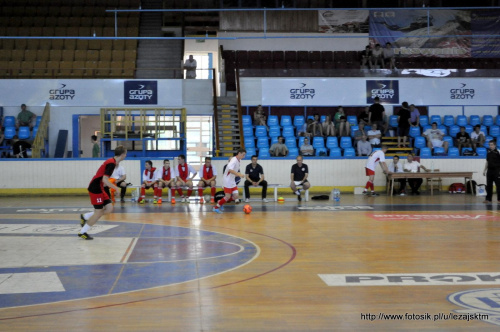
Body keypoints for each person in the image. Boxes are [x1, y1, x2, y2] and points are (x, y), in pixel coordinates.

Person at [78, 145, 127, 240]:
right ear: (122, 154)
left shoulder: (112, 162)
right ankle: (82, 232)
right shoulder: (111, 163)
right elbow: (105, 179)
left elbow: (104, 179)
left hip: (100, 187)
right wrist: (116, 188)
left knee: (109, 208)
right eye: (125, 154)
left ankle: (85, 216)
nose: (126, 155)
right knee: (99, 212)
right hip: (95, 188)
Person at [213, 148, 246, 213]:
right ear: (239, 153)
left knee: (236, 196)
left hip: (232, 180)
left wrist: (238, 174)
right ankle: (216, 207)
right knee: (227, 196)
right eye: (243, 155)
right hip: (227, 180)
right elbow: (230, 170)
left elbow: (234, 171)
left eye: (244, 155)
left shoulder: (239, 160)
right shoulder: (234, 160)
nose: (244, 156)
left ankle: (221, 202)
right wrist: (239, 175)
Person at [483, 140, 500, 204]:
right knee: (489, 185)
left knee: (498, 186)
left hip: (496, 171)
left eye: (492, 145)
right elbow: (487, 162)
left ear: (495, 145)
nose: (490, 146)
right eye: (490, 145)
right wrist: (484, 170)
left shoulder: (497, 153)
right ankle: (488, 199)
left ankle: (499, 199)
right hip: (489, 171)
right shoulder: (488, 152)